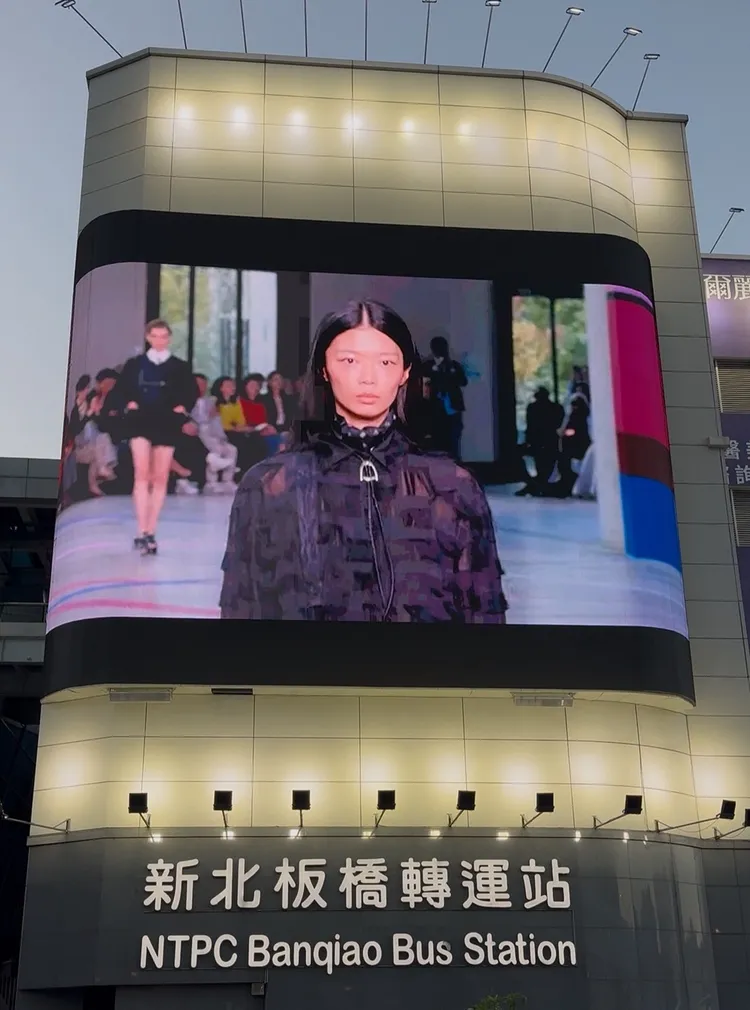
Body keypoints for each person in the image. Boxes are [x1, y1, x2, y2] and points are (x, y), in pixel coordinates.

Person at [220, 300, 508, 623]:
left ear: (405, 372)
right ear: (323, 369)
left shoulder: (452, 486)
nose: (368, 378)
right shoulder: (270, 484)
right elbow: (242, 611)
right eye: (349, 360)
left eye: (386, 362)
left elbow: (484, 616)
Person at [110, 319, 196, 555]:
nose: (159, 340)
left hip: (166, 422)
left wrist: (183, 407)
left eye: (163, 336)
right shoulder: (135, 364)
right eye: (155, 336)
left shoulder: (179, 366)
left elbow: (190, 391)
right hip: (140, 421)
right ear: (148, 337)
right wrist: (128, 403)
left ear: (169, 338)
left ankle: (150, 531)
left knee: (160, 479)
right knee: (141, 474)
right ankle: (141, 530)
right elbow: (121, 389)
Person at [423, 335, 468, 459]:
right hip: (435, 410)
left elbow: (463, 381)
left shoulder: (453, 365)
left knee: (453, 441)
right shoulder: (427, 366)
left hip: (452, 409)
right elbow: (424, 387)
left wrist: (451, 374)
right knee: (437, 442)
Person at [192, 374, 238, 492]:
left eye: (204, 384)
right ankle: (211, 482)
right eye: (199, 384)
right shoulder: (189, 401)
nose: (201, 387)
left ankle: (228, 481)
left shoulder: (211, 401)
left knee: (231, 449)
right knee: (216, 449)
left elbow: (216, 420)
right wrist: (207, 418)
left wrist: (222, 437)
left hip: (213, 431)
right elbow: (194, 419)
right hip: (199, 431)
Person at [516, 387, 565, 497]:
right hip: (550, 441)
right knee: (547, 465)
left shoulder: (533, 408)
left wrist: (528, 440)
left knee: (541, 465)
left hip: (539, 441)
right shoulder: (556, 408)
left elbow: (530, 426)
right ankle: (540, 486)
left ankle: (537, 486)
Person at [212, 376, 266, 474]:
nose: (232, 388)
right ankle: (239, 472)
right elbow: (220, 423)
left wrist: (244, 428)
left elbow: (240, 420)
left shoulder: (235, 403)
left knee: (256, 439)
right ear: (221, 388)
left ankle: (254, 473)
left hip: (235, 430)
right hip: (221, 431)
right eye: (229, 385)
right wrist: (236, 428)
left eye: (233, 385)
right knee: (239, 441)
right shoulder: (214, 402)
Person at [557, 394, 591, 498]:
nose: (574, 406)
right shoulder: (571, 415)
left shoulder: (582, 417)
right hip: (569, 447)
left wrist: (566, 432)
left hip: (578, 447)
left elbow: (578, 431)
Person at [240, 373, 282, 455]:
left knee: (277, 439)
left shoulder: (260, 404)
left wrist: (267, 428)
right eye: (252, 385)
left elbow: (263, 421)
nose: (256, 388)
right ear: (245, 386)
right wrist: (259, 429)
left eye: (258, 386)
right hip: (247, 432)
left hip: (260, 431)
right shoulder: (240, 401)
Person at [262, 370, 296, 449]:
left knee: (286, 436)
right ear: (269, 382)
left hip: (285, 428)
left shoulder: (289, 399)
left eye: (280, 379)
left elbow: (291, 417)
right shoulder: (263, 399)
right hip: (271, 428)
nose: (279, 382)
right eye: (276, 379)